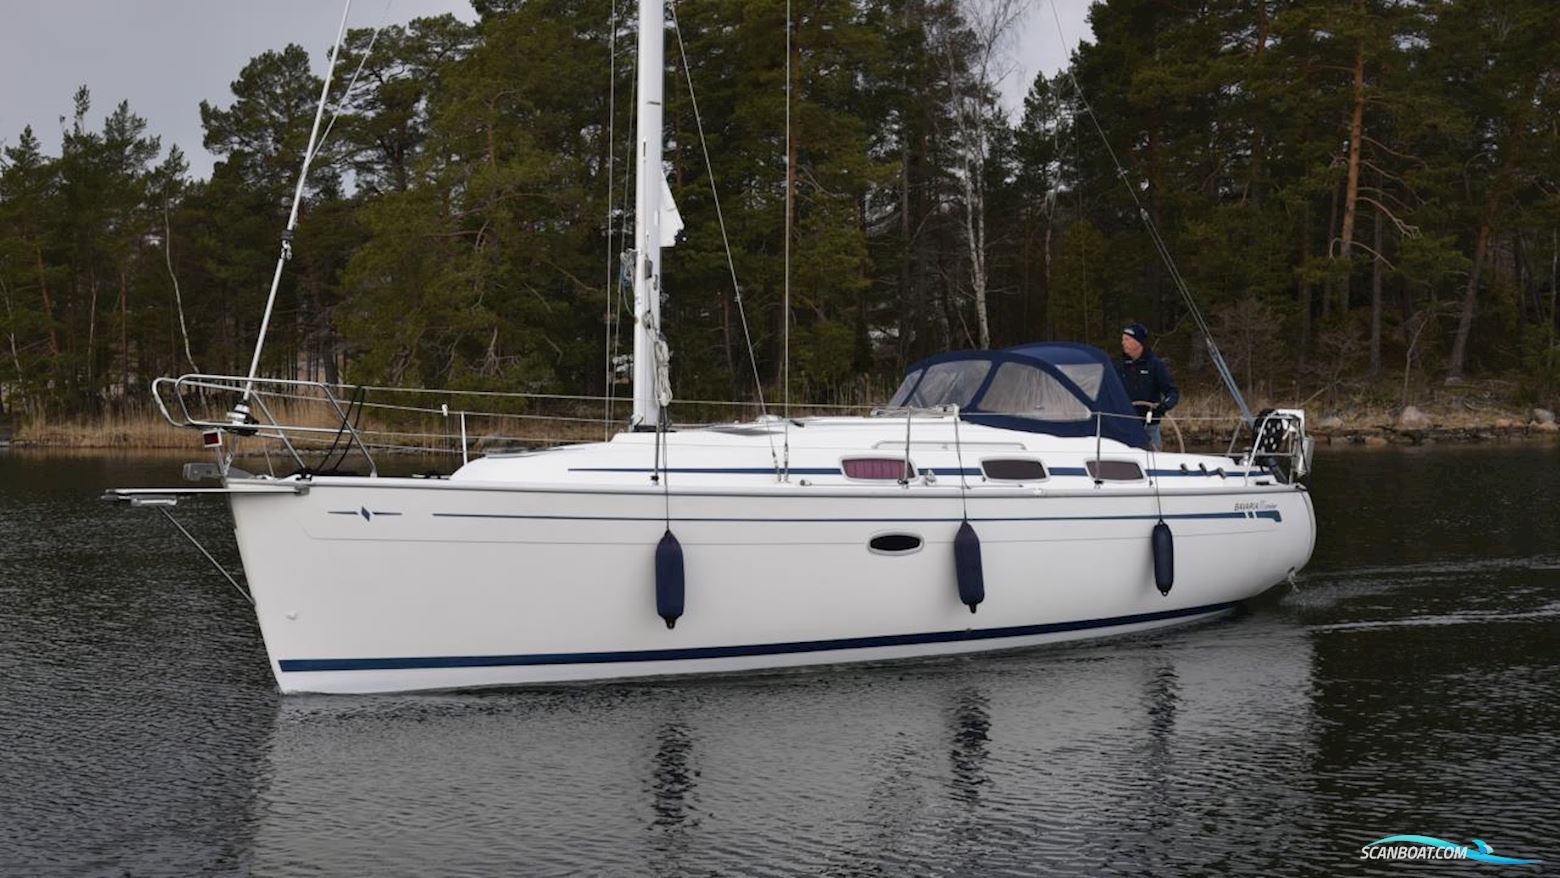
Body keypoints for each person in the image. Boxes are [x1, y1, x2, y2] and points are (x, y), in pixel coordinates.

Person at [1115, 322, 1179, 450]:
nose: (1123, 343)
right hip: (1124, 425)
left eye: (1127, 339)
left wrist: (1164, 406)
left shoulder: (1155, 365)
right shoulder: (1118, 366)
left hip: (1150, 425)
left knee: (1154, 459)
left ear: (1138, 342)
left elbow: (1173, 392)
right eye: (1123, 339)